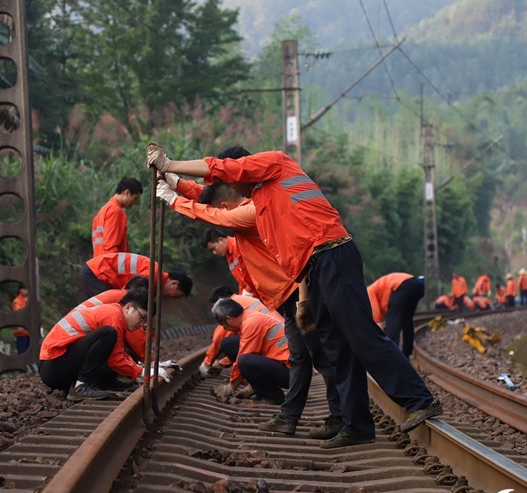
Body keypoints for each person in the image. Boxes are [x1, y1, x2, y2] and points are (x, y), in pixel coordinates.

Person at [148, 143, 442, 447]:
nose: (232, 186)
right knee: (336, 348)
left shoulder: (274, 163)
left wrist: (170, 167)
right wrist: (176, 185)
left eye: (232, 177)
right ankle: (356, 425)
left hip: (334, 254)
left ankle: (419, 400)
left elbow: (220, 185)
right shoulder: (262, 201)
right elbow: (217, 203)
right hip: (315, 268)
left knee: (362, 336)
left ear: (243, 167)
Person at [159, 169, 344, 440]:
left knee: (321, 357)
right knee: (302, 357)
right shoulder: (240, 207)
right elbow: (210, 201)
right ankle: (290, 417)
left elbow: (213, 211)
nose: (219, 203)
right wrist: (176, 183)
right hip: (283, 297)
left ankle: (340, 417)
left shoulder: (250, 211)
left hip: (295, 294)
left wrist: (173, 199)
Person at [38, 289, 174, 400]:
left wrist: (138, 372)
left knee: (116, 348)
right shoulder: (113, 315)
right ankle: (81, 386)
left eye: (145, 322)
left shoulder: (117, 318)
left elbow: (118, 355)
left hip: (58, 366)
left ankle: (102, 382)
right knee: (108, 334)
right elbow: (116, 360)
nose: (142, 324)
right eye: (142, 317)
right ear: (128, 308)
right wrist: (142, 372)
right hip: (53, 367)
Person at [210, 297, 290, 404]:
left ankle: (272, 396)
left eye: (223, 325)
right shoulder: (250, 317)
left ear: (229, 319)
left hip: (293, 374)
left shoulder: (251, 323)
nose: (224, 329)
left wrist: (231, 387)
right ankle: (257, 388)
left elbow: (242, 357)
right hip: (292, 368)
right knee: (233, 347)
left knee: (245, 361)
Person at [81, 252, 193, 300]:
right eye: (176, 296)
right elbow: (128, 296)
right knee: (106, 308)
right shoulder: (153, 275)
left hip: (100, 273)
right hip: (97, 272)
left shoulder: (154, 285)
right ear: (174, 283)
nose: (171, 298)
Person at [366, 273, 425, 358]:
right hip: (416, 284)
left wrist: (377, 344)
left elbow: (378, 322)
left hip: (403, 285)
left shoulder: (368, 293)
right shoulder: (376, 291)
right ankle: (407, 352)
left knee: (393, 320)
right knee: (407, 320)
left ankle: (391, 355)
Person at [91, 177, 143, 257]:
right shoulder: (115, 211)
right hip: (108, 266)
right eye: (135, 198)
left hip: (99, 264)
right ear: (127, 193)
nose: (134, 203)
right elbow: (110, 248)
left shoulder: (102, 211)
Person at [201, 228, 251, 295]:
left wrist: (248, 291)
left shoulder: (239, 246)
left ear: (220, 240)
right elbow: (242, 281)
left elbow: (255, 272)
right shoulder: (229, 255)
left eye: (214, 248)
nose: (214, 253)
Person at [11, 287, 30, 354]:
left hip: (29, 334)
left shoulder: (29, 300)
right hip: (21, 334)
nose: (26, 291)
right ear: (20, 290)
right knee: (22, 353)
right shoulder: (17, 301)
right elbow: (18, 314)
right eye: (24, 289)